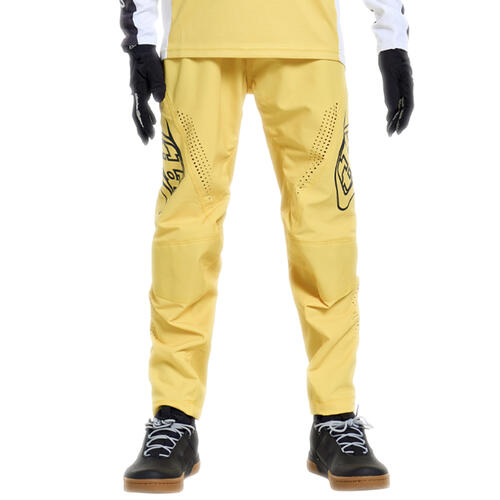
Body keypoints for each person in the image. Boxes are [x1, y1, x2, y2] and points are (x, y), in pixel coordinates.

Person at [120, 0, 414, 493]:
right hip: (199, 39)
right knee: (184, 236)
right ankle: (173, 416)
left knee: (326, 234)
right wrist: (141, 38)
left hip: (306, 40)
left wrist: (393, 40)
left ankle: (335, 417)